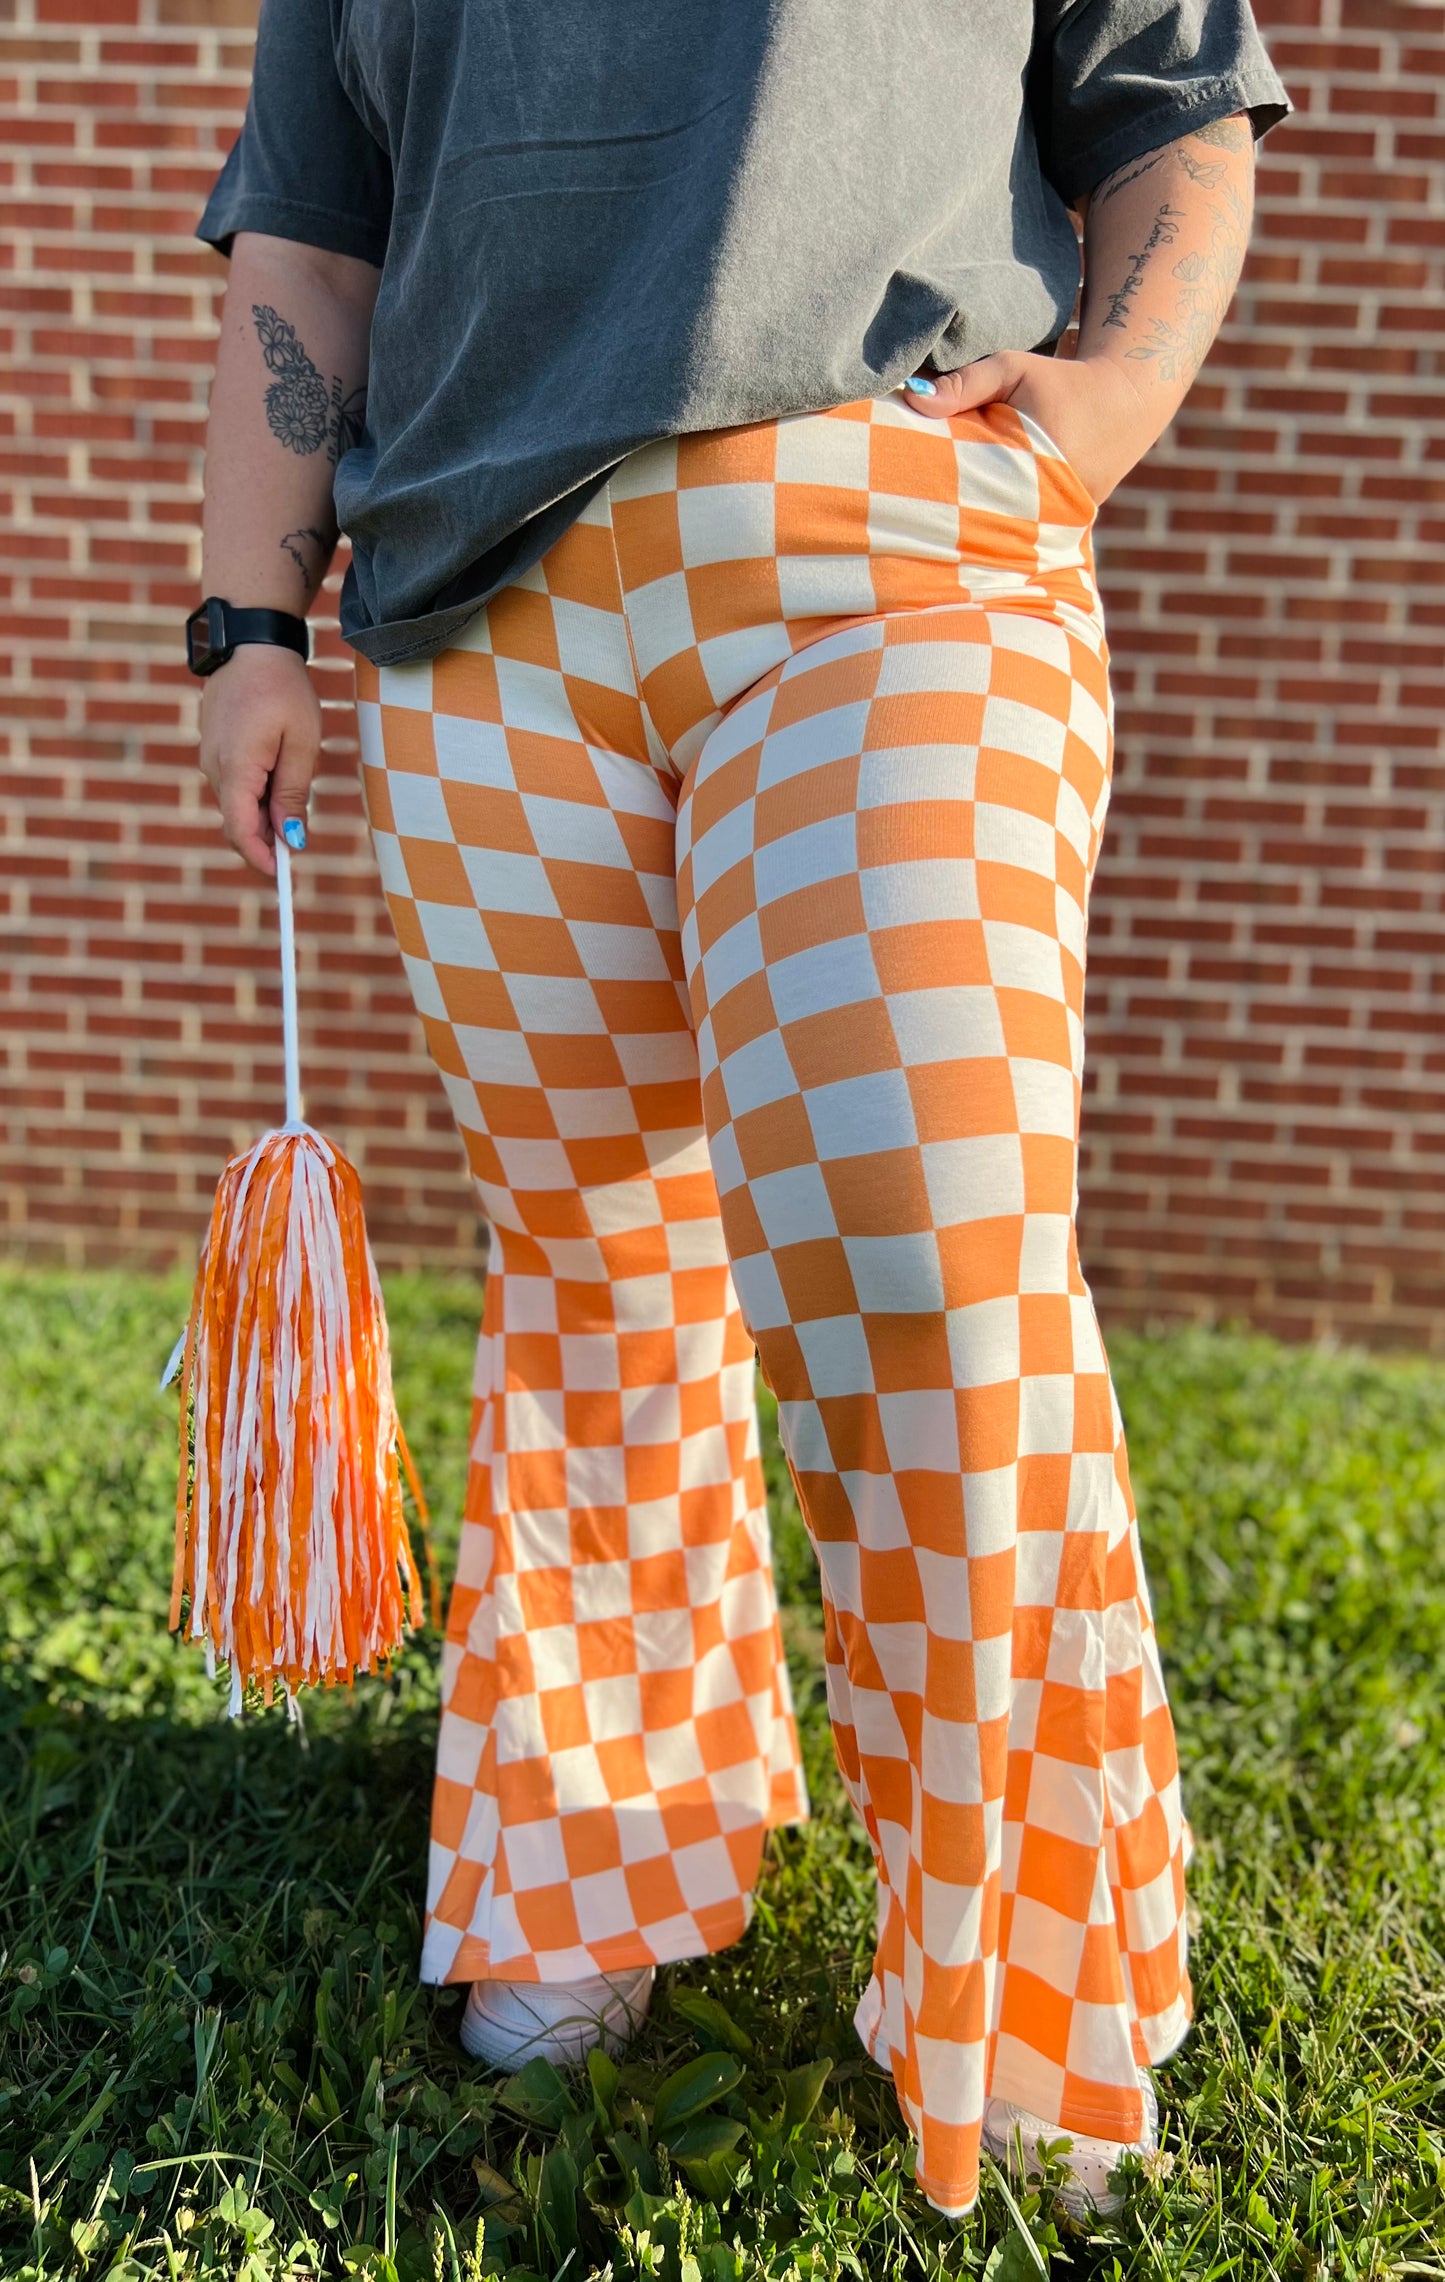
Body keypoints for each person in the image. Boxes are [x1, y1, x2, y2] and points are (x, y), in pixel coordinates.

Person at [189, 0, 1288, 2224]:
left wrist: (1102, 410)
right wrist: (246, 618)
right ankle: (601, 1860)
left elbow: (1170, 104)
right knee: (597, 1267)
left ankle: (1034, 1969)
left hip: (889, 543)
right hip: (470, 624)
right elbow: (312, 242)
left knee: (927, 1253)